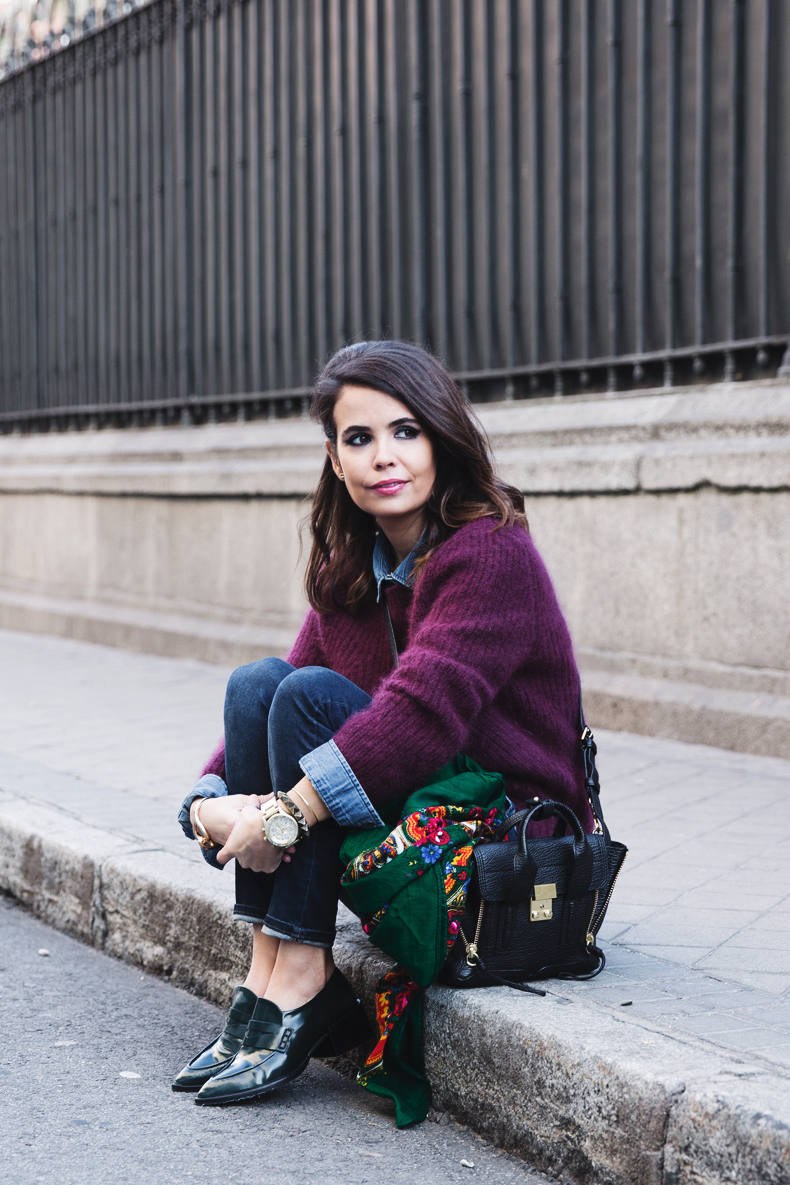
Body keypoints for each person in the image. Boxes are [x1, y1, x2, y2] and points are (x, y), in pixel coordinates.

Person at [173, 339, 590, 1108]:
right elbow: (269, 704)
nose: (382, 457)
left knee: (306, 697)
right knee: (263, 681)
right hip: (424, 809)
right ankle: (266, 969)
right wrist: (204, 801)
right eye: (358, 439)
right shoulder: (355, 565)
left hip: (506, 844)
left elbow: (421, 718)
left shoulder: (491, 554)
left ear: (441, 437)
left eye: (405, 431)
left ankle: (300, 973)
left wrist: (285, 812)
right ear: (334, 459)